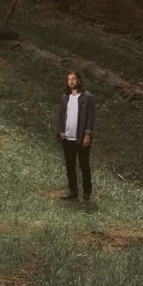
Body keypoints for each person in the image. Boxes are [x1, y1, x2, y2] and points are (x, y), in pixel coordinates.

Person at [56, 70, 95, 201]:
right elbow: (61, 116)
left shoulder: (87, 97)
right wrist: (61, 131)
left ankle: (87, 191)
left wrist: (87, 135)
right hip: (67, 138)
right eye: (69, 79)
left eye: (74, 79)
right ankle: (73, 191)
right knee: (70, 165)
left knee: (84, 165)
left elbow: (90, 117)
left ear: (79, 81)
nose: (71, 81)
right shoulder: (65, 98)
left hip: (81, 138)